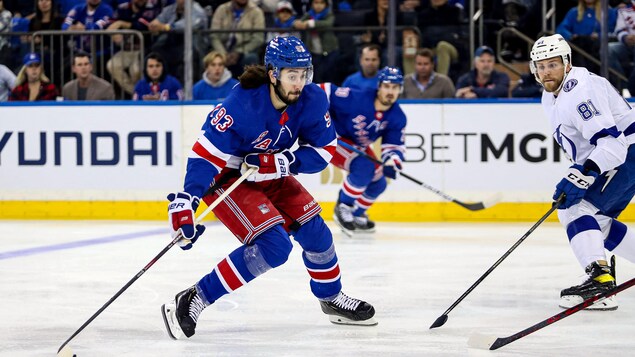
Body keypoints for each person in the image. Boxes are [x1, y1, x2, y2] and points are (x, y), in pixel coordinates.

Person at [160, 36, 376, 340]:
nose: (299, 83)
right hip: (228, 178)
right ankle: (195, 297)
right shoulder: (240, 104)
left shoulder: (311, 99)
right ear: (273, 74)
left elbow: (325, 150)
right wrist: (188, 201)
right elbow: (205, 156)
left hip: (272, 171)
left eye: (304, 74)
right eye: (292, 75)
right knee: (275, 247)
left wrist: (285, 162)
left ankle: (331, 297)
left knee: (317, 233)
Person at [530, 33, 635, 311]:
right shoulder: (550, 94)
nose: (546, 71)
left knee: (575, 210)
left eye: (552, 64)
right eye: (540, 66)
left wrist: (584, 173)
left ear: (567, 63)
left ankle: (600, 282)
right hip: (624, 155)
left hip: (627, 153)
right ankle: (602, 281)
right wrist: (580, 171)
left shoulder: (579, 91)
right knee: (597, 222)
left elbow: (613, 145)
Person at [323, 66, 407, 236]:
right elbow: (325, 90)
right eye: (387, 86)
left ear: (400, 89)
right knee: (365, 167)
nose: (390, 91)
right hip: (333, 138)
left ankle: (356, 214)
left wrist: (391, 161)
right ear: (379, 86)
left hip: (355, 144)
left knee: (379, 182)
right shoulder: (357, 97)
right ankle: (343, 206)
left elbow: (393, 145)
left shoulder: (397, 116)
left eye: (395, 87)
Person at [209, 0, 265, 78]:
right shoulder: (222, 9)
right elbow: (214, 36)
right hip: (222, 49)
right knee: (209, 57)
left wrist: (239, 53)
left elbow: (258, 38)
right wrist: (223, 54)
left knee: (251, 58)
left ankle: (250, 88)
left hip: (244, 50)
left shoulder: (256, 11)